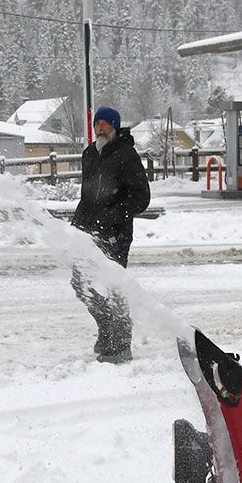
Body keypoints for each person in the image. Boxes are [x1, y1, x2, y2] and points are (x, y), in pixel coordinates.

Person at [69, 106, 150, 362]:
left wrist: (111, 217)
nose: (99, 128)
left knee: (115, 289)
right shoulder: (90, 155)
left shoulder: (127, 155)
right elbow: (87, 196)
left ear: (115, 127)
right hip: (88, 234)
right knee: (81, 284)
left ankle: (121, 344)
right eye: (97, 124)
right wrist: (76, 227)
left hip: (116, 235)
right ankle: (107, 331)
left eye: (105, 124)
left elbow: (141, 198)